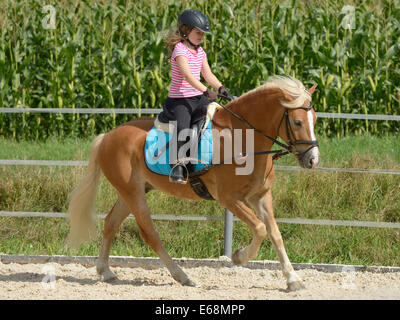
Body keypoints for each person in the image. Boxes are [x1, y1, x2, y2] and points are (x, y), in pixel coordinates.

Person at [158, 9, 234, 184]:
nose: (201, 36)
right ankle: (178, 166)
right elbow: (188, 77)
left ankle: (204, 160)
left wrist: (221, 88)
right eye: (198, 32)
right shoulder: (179, 50)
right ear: (185, 30)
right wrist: (207, 91)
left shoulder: (200, 52)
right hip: (181, 100)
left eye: (203, 33)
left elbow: (208, 74)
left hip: (198, 98)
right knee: (184, 129)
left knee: (213, 123)